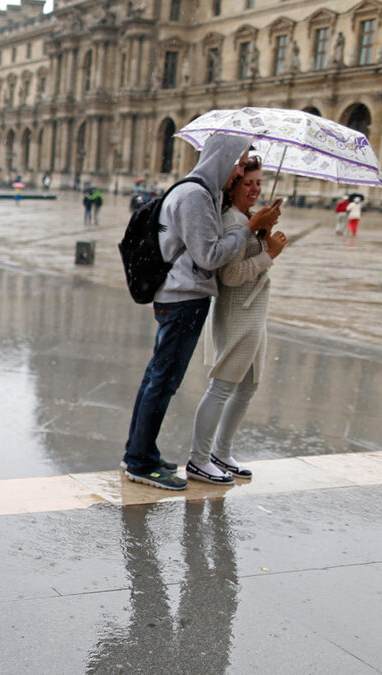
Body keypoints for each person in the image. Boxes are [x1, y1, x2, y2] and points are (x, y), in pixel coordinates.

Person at [121, 134, 280, 490]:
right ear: (223, 159)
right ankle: (139, 461)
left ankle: (140, 451)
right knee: (163, 381)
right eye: (239, 164)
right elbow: (209, 256)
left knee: (158, 379)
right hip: (182, 298)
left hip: (182, 296)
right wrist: (251, 231)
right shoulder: (195, 195)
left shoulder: (199, 193)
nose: (239, 172)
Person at [188, 157, 287, 484]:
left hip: (254, 315)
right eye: (248, 183)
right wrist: (268, 253)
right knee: (222, 387)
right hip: (238, 315)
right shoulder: (233, 221)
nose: (256, 189)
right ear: (231, 187)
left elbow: (250, 261)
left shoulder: (247, 220)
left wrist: (263, 232)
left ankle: (221, 451)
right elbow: (230, 276)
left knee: (247, 387)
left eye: (259, 183)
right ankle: (199, 459)